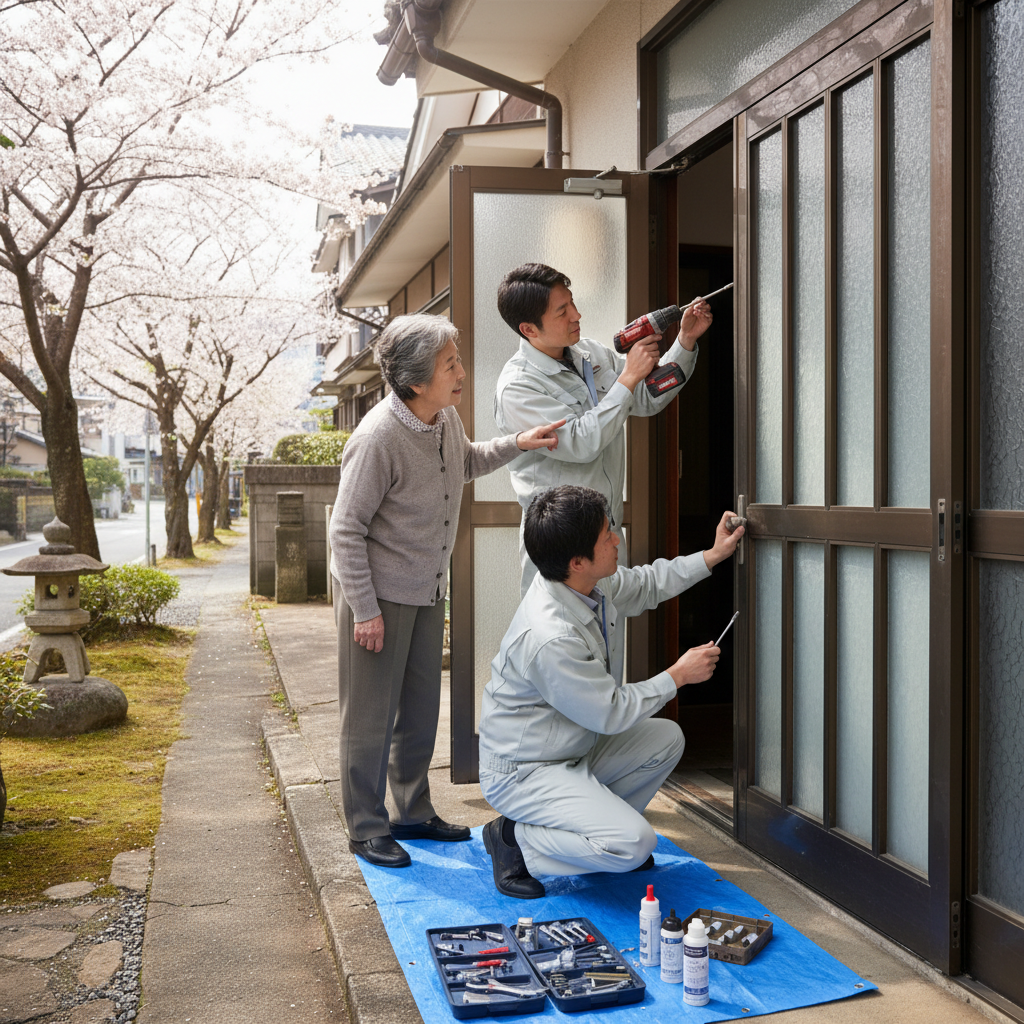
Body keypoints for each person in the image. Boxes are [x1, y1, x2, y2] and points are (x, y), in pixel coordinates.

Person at [329, 313, 564, 868]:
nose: (461, 371)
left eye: (457, 359)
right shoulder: (378, 438)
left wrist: (518, 442)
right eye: (450, 364)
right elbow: (345, 528)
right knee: (368, 717)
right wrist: (365, 610)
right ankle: (365, 826)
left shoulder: (443, 419)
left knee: (417, 709)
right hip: (377, 598)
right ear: (415, 381)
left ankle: (411, 811)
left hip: (427, 588)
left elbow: (464, 463)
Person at [477, 484, 743, 898]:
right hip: (524, 769)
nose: (616, 539)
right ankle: (515, 841)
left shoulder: (584, 586)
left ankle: (596, 842)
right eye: (607, 537)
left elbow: (647, 584)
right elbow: (611, 712)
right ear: (578, 561)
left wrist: (712, 555)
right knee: (635, 844)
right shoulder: (550, 635)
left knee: (666, 738)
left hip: (569, 748)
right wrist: (677, 675)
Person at [493, 263, 714, 623]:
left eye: (572, 302)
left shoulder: (589, 354)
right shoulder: (518, 387)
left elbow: (642, 398)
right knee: (565, 646)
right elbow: (581, 441)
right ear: (529, 328)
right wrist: (628, 377)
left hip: (603, 533)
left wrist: (684, 342)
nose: (577, 315)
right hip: (560, 545)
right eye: (562, 311)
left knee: (608, 648)